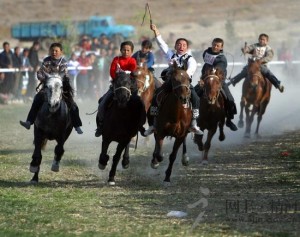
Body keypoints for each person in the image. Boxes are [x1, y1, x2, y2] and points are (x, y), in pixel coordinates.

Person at [144, 23, 202, 136]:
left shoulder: (191, 60)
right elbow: (161, 44)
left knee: (195, 98)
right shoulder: (171, 55)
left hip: (183, 84)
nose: (181, 46)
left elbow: (190, 71)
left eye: (183, 45)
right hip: (170, 83)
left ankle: (193, 124)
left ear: (187, 47)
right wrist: (155, 30)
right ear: (175, 46)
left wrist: (181, 78)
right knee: (156, 97)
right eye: (179, 44)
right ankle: (153, 125)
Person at [20, 42, 83, 134]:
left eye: (56, 51)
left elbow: (64, 75)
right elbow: (40, 73)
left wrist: (56, 79)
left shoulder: (64, 61)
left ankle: (77, 125)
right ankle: (29, 122)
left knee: (72, 105)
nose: (54, 52)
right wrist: (45, 79)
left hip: (60, 87)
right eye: (52, 50)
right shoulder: (46, 60)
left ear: (61, 52)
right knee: (37, 99)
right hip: (47, 86)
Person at [95, 41, 137, 137]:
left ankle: (139, 126)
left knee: (140, 104)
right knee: (102, 103)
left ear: (131, 51)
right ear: (120, 50)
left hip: (129, 88)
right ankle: (100, 125)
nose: (126, 52)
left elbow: (133, 69)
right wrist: (118, 79)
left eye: (128, 50)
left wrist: (126, 76)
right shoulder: (116, 59)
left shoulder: (132, 61)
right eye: (124, 50)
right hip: (116, 87)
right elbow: (112, 72)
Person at [196, 38, 238, 131]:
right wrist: (203, 79)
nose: (215, 47)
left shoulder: (222, 59)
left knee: (229, 99)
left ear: (221, 47)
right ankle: (190, 118)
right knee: (192, 94)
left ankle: (229, 120)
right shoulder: (206, 52)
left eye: (217, 46)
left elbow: (219, 70)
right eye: (214, 45)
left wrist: (212, 74)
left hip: (218, 81)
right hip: (205, 80)